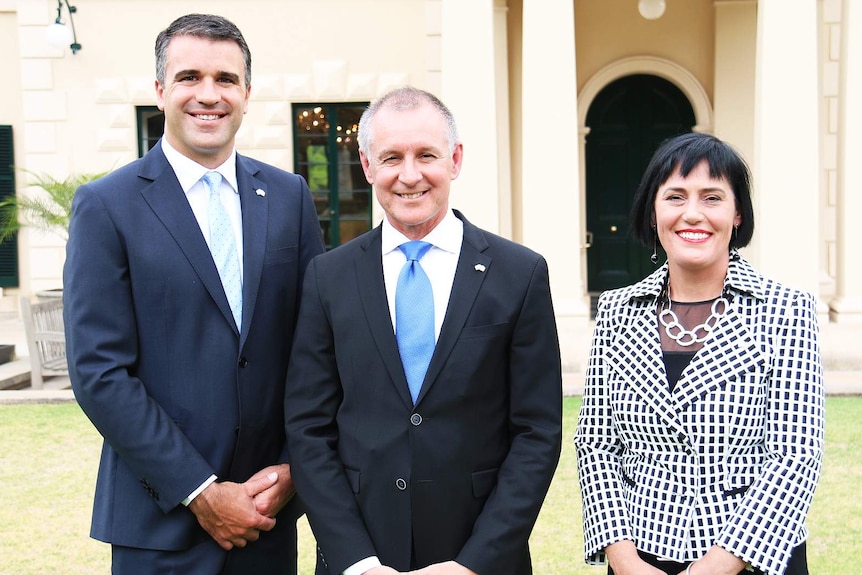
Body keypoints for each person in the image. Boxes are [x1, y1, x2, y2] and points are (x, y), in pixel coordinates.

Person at [63, 13, 325, 574]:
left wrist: (291, 470)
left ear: (247, 94)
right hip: (159, 526)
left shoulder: (288, 197)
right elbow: (99, 372)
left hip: (267, 516)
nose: (209, 95)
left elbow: (317, 348)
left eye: (226, 79)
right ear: (160, 91)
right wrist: (200, 491)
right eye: (189, 77)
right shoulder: (107, 206)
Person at [283, 86, 563, 575]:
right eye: (391, 157)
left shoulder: (519, 274)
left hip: (479, 557)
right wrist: (358, 562)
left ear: (454, 160)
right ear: (367, 167)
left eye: (426, 155)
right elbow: (308, 429)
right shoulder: (328, 278)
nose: (409, 175)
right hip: (362, 554)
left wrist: (473, 563)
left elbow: (537, 432)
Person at [574, 132, 825, 575]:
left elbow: (795, 455)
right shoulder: (615, 310)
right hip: (641, 556)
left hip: (752, 557)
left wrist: (718, 565)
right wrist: (625, 560)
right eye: (674, 196)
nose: (692, 214)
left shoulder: (787, 310)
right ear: (653, 213)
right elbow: (595, 445)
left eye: (712, 197)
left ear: (737, 213)